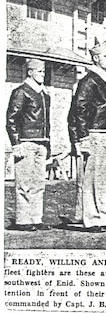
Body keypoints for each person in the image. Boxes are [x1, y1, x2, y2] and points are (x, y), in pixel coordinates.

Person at [70, 39, 106, 232]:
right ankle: (91, 219)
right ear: (96, 58)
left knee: (105, 179)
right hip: (94, 134)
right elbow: (79, 110)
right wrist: (82, 137)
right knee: (91, 180)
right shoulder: (89, 81)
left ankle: (103, 218)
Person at [6, 58, 51, 231]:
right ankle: (23, 220)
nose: (43, 74)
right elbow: (11, 120)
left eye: (44, 72)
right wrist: (16, 143)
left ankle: (36, 218)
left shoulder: (44, 94)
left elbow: (47, 124)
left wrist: (48, 144)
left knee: (39, 184)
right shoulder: (21, 92)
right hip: (25, 142)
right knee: (24, 184)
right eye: (40, 71)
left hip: (42, 144)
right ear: (30, 72)